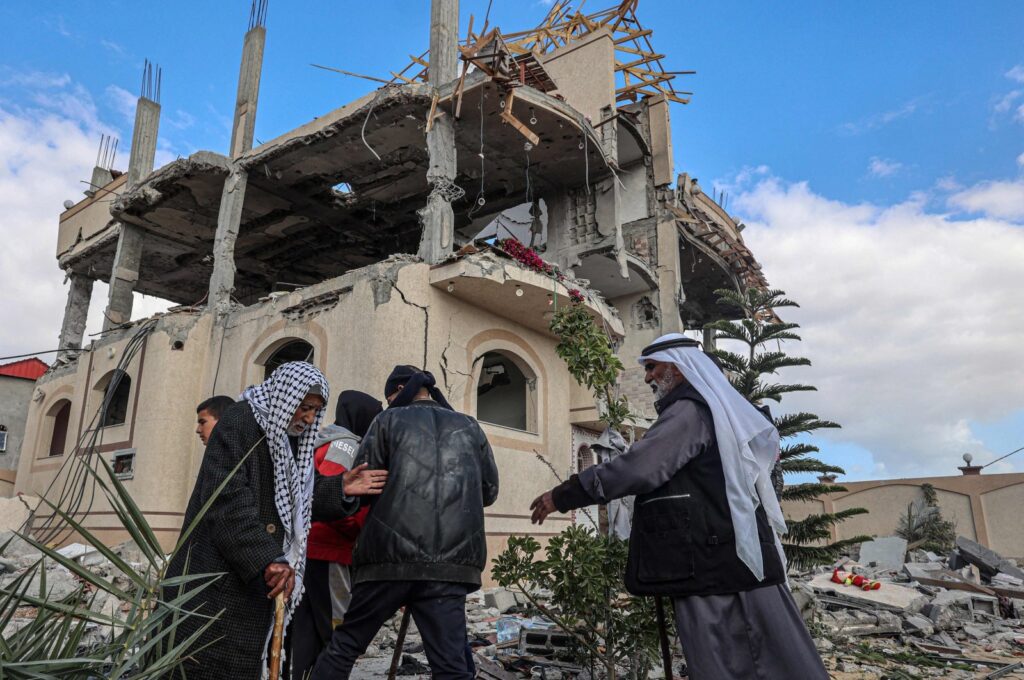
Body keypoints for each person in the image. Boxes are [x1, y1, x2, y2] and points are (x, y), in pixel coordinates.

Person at [529, 333, 829, 680]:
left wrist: (564, 495)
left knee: (735, 662)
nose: (647, 377)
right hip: (729, 563)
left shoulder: (690, 410)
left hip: (716, 570)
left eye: (653, 367)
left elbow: (640, 467)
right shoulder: (711, 408)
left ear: (679, 367)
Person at [164, 362, 388, 680]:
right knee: (204, 663)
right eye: (305, 408)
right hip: (216, 580)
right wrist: (267, 558)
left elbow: (295, 494)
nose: (309, 418)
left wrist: (341, 487)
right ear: (286, 396)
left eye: (316, 411)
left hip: (255, 582)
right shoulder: (241, 423)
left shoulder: (288, 438)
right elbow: (227, 501)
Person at [310, 365, 499, 680]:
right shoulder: (469, 427)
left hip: (387, 561)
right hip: (450, 566)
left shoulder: (387, 421)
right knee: (451, 666)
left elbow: (363, 488)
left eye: (389, 398)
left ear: (399, 392)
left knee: (345, 646)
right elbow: (489, 492)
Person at [289, 390, 383, 680]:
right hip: (328, 550)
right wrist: (356, 528)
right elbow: (333, 495)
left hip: (312, 549)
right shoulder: (344, 445)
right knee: (337, 632)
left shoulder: (324, 440)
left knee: (308, 629)